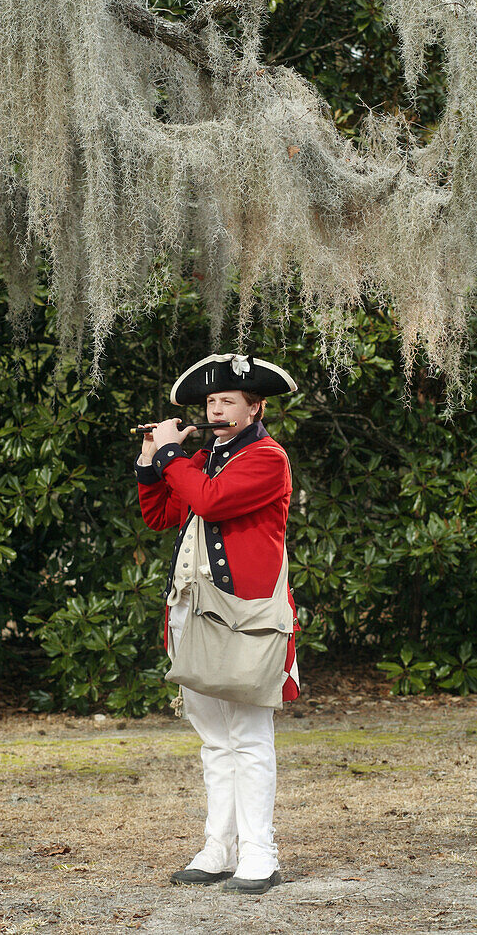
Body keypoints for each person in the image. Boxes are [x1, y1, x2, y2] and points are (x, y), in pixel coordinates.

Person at [134, 353, 300, 896]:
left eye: (229, 401)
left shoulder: (268, 459)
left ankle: (260, 854)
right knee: (213, 740)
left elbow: (209, 501)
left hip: (244, 617)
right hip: (192, 611)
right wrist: (149, 460)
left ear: (256, 408)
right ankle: (218, 848)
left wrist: (175, 453)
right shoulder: (202, 457)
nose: (217, 409)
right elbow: (160, 515)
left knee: (249, 738)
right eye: (211, 402)